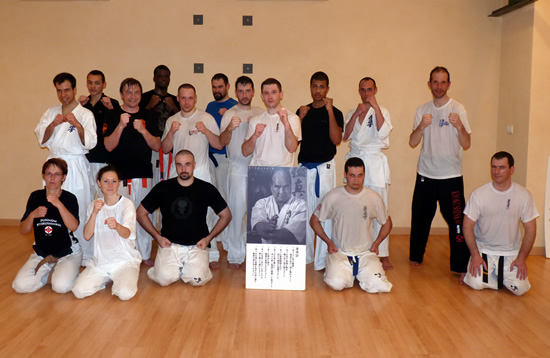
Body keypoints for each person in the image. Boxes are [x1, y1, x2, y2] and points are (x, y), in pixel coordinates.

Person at [409, 66, 471, 275]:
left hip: (451, 177)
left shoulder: (458, 109)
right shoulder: (422, 110)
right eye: (435, 82)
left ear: (449, 84)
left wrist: (460, 127)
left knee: (457, 223)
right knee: (420, 219)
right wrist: (420, 128)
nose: (439, 86)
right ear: (429, 84)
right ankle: (416, 257)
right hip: (426, 174)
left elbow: (467, 143)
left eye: (443, 82)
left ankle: (461, 266)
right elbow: (412, 141)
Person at [137, 150, 231, 287]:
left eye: (187, 164)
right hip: (170, 245)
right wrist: (158, 238)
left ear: (194, 165)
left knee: (197, 280)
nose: (183, 169)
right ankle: (175, 268)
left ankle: (193, 269)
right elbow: (140, 213)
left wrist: (208, 239)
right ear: (175, 166)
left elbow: (226, 215)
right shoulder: (163, 188)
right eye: (179, 165)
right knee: (163, 280)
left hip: (197, 245)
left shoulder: (206, 188)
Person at [35, 72, 97, 264]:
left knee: (77, 207)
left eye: (67, 90)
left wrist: (77, 125)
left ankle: (83, 255)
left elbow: (90, 143)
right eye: (59, 91)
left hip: (75, 166)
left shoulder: (85, 114)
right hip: (54, 165)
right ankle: (53, 249)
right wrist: (53, 125)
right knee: (52, 208)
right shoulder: (51, 112)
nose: (63, 95)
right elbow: (42, 139)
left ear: (75, 89)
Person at [161, 83, 224, 267]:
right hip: (178, 173)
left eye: (190, 98)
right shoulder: (172, 120)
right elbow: (165, 149)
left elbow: (219, 144)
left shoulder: (206, 118)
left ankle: (210, 252)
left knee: (206, 215)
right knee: (178, 213)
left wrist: (205, 130)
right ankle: (178, 250)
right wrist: (172, 132)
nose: (187, 102)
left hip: (202, 173)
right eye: (183, 98)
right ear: (178, 99)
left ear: (195, 98)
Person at [309, 157, 392, 293]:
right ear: (345, 175)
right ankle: (344, 273)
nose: (356, 180)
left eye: (360, 175)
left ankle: (360, 273)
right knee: (336, 283)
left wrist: (376, 243)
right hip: (340, 253)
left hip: (366, 253)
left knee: (381, 286)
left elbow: (387, 222)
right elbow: (314, 221)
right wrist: (329, 242)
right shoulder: (333, 196)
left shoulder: (373, 197)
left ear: (364, 175)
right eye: (352, 175)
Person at [462, 152, 538, 295]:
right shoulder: (479, 194)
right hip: (484, 251)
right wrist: (475, 255)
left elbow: (531, 229)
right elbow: (467, 226)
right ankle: (492, 276)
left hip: (511, 254)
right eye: (493, 167)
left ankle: (496, 277)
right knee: (476, 284)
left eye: (502, 167)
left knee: (521, 289)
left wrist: (522, 259)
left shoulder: (524, 195)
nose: (496, 172)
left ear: (512, 169)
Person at [104, 78, 161, 266]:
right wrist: (121, 126)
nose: (133, 96)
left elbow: (157, 145)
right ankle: (122, 254)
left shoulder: (149, 115)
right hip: (119, 177)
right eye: (128, 92)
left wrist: (144, 131)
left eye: (137, 92)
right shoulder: (112, 116)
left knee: (144, 216)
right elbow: (108, 146)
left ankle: (144, 255)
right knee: (121, 216)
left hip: (144, 174)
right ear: (121, 94)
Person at [343, 77, 393, 270]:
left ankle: (383, 253)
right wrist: (356, 114)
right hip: (356, 162)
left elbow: (383, 134)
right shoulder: (352, 112)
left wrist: (376, 107)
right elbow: (344, 136)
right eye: (362, 90)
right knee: (355, 207)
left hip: (374, 163)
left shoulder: (383, 111)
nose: (366, 94)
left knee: (380, 208)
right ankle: (358, 248)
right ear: (358, 91)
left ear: (375, 90)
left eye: (369, 90)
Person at [297, 71, 344, 269]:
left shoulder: (336, 112)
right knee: (303, 214)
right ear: (310, 87)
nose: (318, 90)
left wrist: (330, 110)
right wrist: (299, 118)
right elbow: (293, 141)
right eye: (315, 86)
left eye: (322, 86)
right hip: (303, 169)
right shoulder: (302, 111)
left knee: (323, 213)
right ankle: (305, 257)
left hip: (324, 169)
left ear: (327, 88)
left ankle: (323, 259)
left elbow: (337, 140)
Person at [72, 165, 141, 300]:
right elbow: (87, 235)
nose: (110, 185)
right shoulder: (94, 205)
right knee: (79, 291)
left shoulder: (127, 204)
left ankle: (122, 277)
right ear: (99, 183)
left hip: (124, 260)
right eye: (105, 181)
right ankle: (107, 278)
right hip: (101, 262)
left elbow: (128, 234)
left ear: (119, 183)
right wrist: (95, 213)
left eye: (114, 181)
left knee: (125, 294)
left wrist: (117, 226)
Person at [13, 159, 82, 294]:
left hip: (67, 253)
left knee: (61, 287)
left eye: (57, 174)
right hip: (41, 253)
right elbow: (23, 229)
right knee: (19, 286)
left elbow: (73, 226)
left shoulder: (69, 198)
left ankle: (65, 271)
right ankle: (49, 271)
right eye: (49, 174)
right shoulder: (35, 197)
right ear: (43, 176)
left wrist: (58, 204)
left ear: (63, 177)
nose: (52, 178)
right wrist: (32, 215)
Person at [219, 76, 263, 269]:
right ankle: (236, 255)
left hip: (258, 169)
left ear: (253, 92)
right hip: (237, 169)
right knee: (237, 213)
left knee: (256, 216)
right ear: (236, 92)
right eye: (241, 91)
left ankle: (253, 255)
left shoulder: (260, 113)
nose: (244, 95)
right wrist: (230, 128)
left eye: (248, 91)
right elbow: (221, 142)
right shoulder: (229, 114)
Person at [78, 70, 120, 197]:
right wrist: (78, 107)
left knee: (107, 196)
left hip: (104, 158)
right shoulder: (82, 105)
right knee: (87, 197)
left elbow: (121, 128)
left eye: (97, 83)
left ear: (104, 84)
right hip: (86, 157)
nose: (93, 86)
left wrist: (112, 109)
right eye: (90, 83)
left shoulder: (112, 103)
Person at [242, 78, 301, 167]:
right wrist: (255, 136)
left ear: (281, 94)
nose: (270, 97)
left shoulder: (292, 118)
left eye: (274, 92)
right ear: (262, 96)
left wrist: (286, 124)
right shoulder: (255, 120)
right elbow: (245, 152)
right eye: (266, 93)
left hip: (283, 172)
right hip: (259, 172)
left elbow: (292, 148)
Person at [140, 65, 180, 187]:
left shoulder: (175, 100)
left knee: (170, 183)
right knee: (154, 184)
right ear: (154, 78)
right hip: (151, 148)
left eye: (166, 76)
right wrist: (149, 106)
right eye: (160, 76)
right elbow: (136, 120)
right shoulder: (144, 98)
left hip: (171, 147)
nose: (163, 79)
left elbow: (184, 120)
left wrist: (174, 107)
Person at [249, 169, 307, 245]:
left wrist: (265, 232)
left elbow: (290, 236)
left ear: (291, 186)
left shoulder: (301, 205)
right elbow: (258, 226)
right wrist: (267, 226)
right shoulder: (261, 203)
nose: (281, 192)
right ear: (271, 186)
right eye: (277, 187)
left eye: (285, 187)